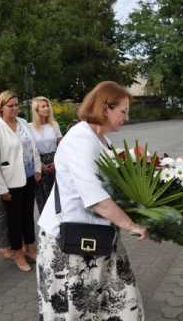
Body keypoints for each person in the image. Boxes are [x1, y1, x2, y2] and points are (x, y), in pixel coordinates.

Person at [37, 81, 147, 320]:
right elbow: (96, 199)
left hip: (99, 235)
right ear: (104, 108)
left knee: (122, 303)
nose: (126, 117)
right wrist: (132, 225)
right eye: (123, 111)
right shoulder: (81, 140)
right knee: (78, 309)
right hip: (70, 240)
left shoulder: (101, 140)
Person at [0, 90, 42, 272]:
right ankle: (18, 253)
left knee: (28, 215)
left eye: (16, 105)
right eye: (10, 106)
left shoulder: (23, 123)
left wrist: (37, 168)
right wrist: (1, 189)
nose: (15, 109)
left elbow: (33, 147)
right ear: (0, 108)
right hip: (11, 181)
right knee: (14, 220)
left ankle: (31, 247)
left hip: (28, 177)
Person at [30, 96, 62, 214]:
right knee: (43, 198)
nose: (47, 108)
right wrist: (40, 166)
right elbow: (29, 150)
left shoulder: (54, 124)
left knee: (58, 196)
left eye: (47, 105)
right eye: (43, 106)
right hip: (39, 163)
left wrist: (56, 162)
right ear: (36, 110)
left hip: (55, 161)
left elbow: (61, 145)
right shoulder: (30, 127)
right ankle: (46, 229)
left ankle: (61, 227)